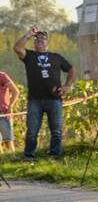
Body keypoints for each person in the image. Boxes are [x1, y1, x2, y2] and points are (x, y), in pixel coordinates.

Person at [13, 28, 75, 160]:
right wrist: (29, 34)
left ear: (48, 42)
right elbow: (17, 48)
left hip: (54, 99)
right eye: (37, 39)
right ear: (34, 43)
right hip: (35, 100)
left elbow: (71, 70)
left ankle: (54, 155)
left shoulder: (56, 57)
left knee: (56, 131)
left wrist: (67, 86)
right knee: (32, 131)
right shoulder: (29, 56)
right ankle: (29, 156)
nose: (40, 41)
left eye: (43, 39)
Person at [0, 71, 20, 153]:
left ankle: (13, 160)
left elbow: (15, 91)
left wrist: (10, 106)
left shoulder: (2, 76)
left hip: (3, 112)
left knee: (8, 140)